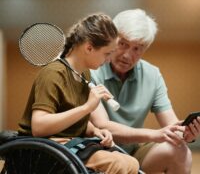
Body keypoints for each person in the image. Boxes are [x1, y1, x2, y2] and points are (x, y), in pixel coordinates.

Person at [18, 13, 139, 174]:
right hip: (42, 150)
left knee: (132, 163)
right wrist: (87, 107)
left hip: (66, 145)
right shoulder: (53, 74)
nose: (109, 59)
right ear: (89, 48)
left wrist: (94, 130)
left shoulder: (84, 75)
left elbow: (68, 117)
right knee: (119, 165)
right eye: (107, 53)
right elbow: (39, 127)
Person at [90, 9, 200, 173]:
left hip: (133, 151)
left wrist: (185, 134)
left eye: (137, 49)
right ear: (112, 39)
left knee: (180, 151)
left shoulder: (152, 74)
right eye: (123, 44)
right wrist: (153, 134)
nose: (128, 56)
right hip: (98, 151)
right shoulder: (93, 70)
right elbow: (102, 125)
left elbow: (171, 124)